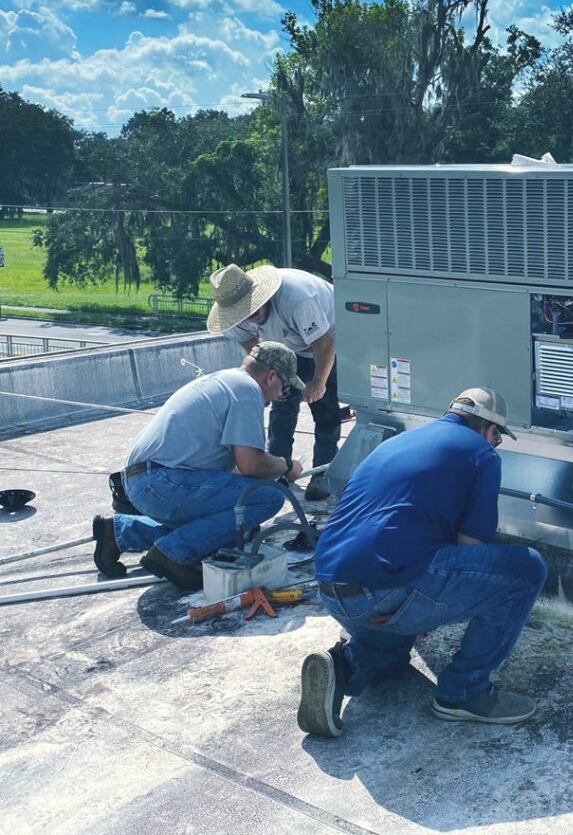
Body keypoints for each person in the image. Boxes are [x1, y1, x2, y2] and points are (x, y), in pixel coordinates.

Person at [297, 387, 547, 737]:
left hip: (332, 587)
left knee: (394, 657)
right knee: (527, 569)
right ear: (489, 429)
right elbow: (470, 549)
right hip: (386, 587)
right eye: (497, 438)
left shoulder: (400, 442)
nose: (495, 445)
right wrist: (433, 603)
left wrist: (423, 601)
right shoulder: (481, 455)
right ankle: (464, 692)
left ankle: (344, 668)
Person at [91, 342, 306, 590]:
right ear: (271, 377)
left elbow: (234, 472)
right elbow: (251, 464)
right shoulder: (247, 392)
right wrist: (287, 466)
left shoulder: (227, 381)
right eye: (285, 386)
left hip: (146, 481)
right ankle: (172, 555)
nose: (280, 395)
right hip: (162, 482)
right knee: (267, 498)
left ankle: (120, 532)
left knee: (228, 526)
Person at [206, 263, 350, 501]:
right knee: (282, 408)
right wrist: (266, 381)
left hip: (327, 342)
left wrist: (318, 382)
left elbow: (324, 343)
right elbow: (251, 346)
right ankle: (278, 471)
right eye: (244, 313)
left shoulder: (297, 298)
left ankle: (322, 474)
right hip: (285, 347)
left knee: (325, 410)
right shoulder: (234, 314)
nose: (250, 316)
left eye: (253, 308)